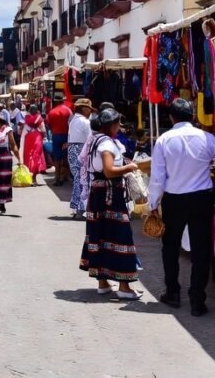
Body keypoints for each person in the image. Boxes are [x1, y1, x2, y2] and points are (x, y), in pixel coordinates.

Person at [148, 98, 215, 316]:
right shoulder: (207, 138)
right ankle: (197, 300)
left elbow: (158, 177)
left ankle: (173, 292)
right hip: (201, 199)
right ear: (193, 116)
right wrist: (211, 162)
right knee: (201, 250)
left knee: (170, 247)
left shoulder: (164, 140)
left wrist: (153, 204)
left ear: (171, 117)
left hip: (174, 199)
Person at [79, 108, 142, 300]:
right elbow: (108, 170)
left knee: (101, 234)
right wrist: (129, 167)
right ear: (112, 125)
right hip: (109, 193)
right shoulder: (106, 143)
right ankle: (124, 286)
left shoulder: (97, 140)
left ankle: (103, 282)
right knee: (120, 235)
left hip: (99, 193)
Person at [67, 98, 95, 217]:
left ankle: (77, 207)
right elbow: (90, 138)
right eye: (89, 109)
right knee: (82, 180)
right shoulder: (85, 122)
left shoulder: (73, 120)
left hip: (72, 150)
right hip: (80, 150)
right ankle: (81, 208)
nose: (90, 112)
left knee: (78, 179)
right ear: (84, 109)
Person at [47, 95, 72, 186]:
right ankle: (65, 176)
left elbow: (49, 125)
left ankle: (57, 177)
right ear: (62, 101)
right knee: (66, 156)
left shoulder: (51, 112)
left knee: (57, 158)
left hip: (56, 136)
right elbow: (71, 124)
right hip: (66, 135)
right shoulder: (68, 111)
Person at [20, 104, 47, 184]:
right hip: (36, 138)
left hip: (28, 138)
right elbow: (43, 130)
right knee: (36, 156)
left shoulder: (26, 118)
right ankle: (34, 179)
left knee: (28, 156)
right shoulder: (39, 118)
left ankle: (29, 177)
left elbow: (20, 129)